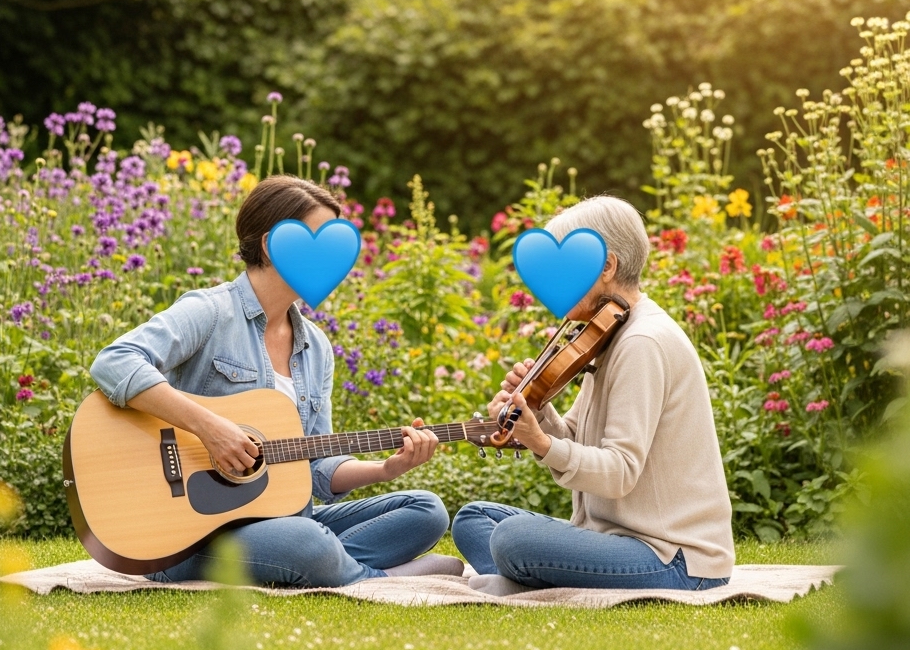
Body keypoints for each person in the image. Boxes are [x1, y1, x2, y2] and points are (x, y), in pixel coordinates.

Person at [90, 174, 462, 586]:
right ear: (272, 245)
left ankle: (337, 567)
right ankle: (376, 577)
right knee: (306, 541)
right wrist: (209, 428)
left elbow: (316, 466)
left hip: (281, 519)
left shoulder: (315, 346)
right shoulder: (211, 312)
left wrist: (386, 468)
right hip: (190, 534)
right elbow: (115, 361)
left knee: (426, 510)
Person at [452, 195, 734, 595]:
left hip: (672, 558)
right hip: (612, 539)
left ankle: (524, 580)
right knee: (474, 519)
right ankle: (530, 579)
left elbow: (619, 472)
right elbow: (578, 440)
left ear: (606, 265)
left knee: (512, 539)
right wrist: (538, 413)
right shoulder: (608, 332)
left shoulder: (642, 342)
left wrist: (542, 443)